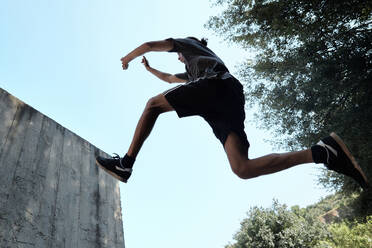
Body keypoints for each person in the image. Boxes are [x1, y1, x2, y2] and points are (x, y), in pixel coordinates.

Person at [95, 37, 369, 189]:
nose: (179, 57)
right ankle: (322, 152)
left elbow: (153, 44)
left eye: (179, 54)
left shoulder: (191, 47)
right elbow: (169, 79)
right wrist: (148, 69)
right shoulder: (192, 74)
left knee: (152, 105)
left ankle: (126, 163)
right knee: (242, 168)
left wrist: (129, 57)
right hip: (224, 99)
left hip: (216, 85)